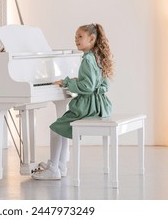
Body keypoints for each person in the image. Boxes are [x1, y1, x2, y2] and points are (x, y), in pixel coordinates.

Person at [32, 23, 114, 180]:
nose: (76, 40)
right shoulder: (98, 57)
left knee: (55, 128)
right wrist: (80, 80)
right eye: (75, 37)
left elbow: (87, 87)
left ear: (91, 39)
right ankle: (61, 165)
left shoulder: (87, 60)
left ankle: (53, 168)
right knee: (62, 126)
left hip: (87, 107)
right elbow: (103, 85)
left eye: (80, 37)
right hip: (100, 105)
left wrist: (67, 82)